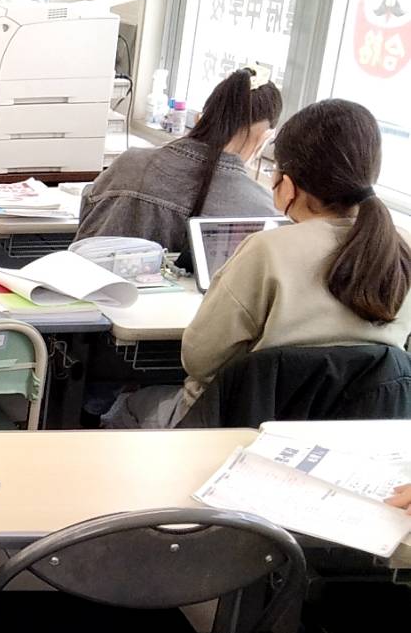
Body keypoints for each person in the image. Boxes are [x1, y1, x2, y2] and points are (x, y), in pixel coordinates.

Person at [105, 98, 411, 428]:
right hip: (349, 440)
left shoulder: (268, 250)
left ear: (287, 187)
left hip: (235, 427)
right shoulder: (399, 251)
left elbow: (199, 358)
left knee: (124, 406)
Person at [78, 65, 283, 260]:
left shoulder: (128, 164)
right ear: (264, 138)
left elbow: (86, 231)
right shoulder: (261, 210)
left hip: (89, 284)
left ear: (200, 118)